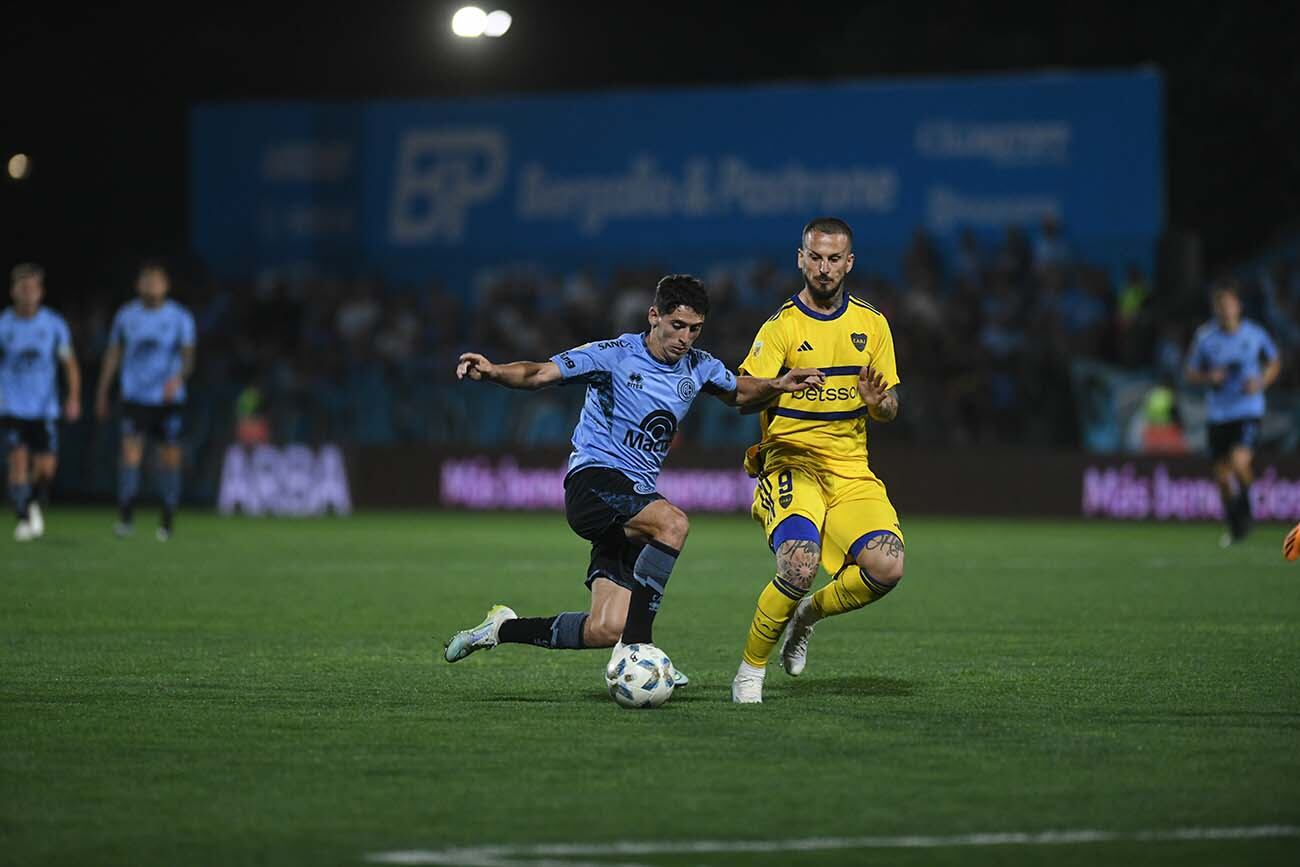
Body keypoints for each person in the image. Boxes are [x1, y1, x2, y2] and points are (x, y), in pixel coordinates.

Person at [443, 274, 824, 684]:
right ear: (654, 315)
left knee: (604, 628)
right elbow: (539, 374)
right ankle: (641, 646)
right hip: (593, 483)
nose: (685, 338)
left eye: (695, 329)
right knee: (673, 523)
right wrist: (493, 371)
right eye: (677, 326)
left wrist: (778, 384)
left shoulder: (699, 366)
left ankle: (501, 628)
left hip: (631, 505)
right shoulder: (614, 355)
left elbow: (738, 393)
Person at [730, 217, 905, 704]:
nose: (824, 268)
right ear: (801, 259)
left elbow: (890, 408)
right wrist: (776, 385)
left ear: (849, 262)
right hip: (791, 461)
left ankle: (806, 616)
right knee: (799, 564)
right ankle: (750, 671)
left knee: (888, 568)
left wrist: (878, 402)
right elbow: (740, 395)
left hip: (850, 470)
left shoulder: (872, 324)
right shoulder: (781, 327)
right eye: (816, 257)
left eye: (834, 259)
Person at [94, 261, 197, 541]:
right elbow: (113, 354)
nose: (152, 285)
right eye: (147, 280)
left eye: (157, 280)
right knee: (130, 455)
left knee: (169, 458)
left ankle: (167, 519)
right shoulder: (127, 316)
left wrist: (178, 379)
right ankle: (126, 516)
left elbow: (189, 357)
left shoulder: (179, 317)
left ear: (166, 285)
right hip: (135, 398)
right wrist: (103, 391)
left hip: (168, 398)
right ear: (138, 285)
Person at [1184, 282, 1281, 546]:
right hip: (1218, 414)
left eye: (1228, 304)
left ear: (1238, 306)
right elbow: (1190, 373)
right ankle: (1236, 526)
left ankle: (1247, 511)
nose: (1225, 310)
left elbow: (1274, 361)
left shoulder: (1254, 334)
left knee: (1239, 464)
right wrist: (1208, 377)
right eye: (1219, 306)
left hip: (1247, 410)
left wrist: (1261, 381)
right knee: (1222, 478)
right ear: (1215, 309)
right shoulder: (1205, 337)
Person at [0, 264, 81, 541]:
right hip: (12, 406)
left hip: (45, 408)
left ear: (41, 292)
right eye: (22, 287)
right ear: (13, 291)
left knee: (46, 470)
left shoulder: (54, 325)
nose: (27, 292)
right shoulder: (4, 325)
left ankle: (31, 502)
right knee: (18, 462)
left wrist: (73, 396)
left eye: (33, 287)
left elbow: (69, 363)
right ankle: (23, 517)